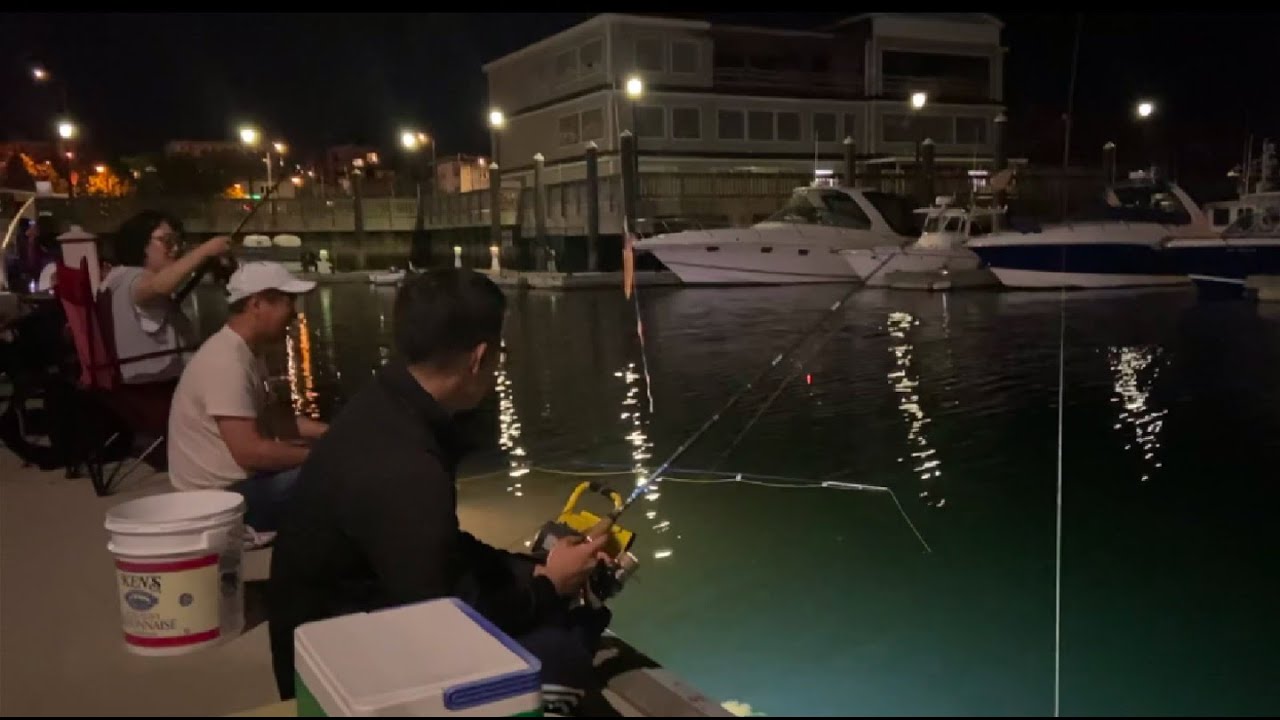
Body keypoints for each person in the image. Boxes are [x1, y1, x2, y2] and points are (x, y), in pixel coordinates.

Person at [268, 268, 616, 716]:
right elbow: (443, 617)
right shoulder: (406, 466)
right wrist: (550, 587)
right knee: (560, 658)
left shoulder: (384, 406)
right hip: (338, 674)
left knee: (546, 614)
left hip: (342, 624)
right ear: (478, 358)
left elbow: (437, 552)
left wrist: (531, 568)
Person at [166, 261, 326, 541]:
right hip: (222, 502)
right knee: (339, 473)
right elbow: (250, 451)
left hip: (237, 488)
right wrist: (327, 456)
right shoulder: (226, 362)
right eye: (288, 301)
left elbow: (278, 423)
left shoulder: (247, 352)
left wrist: (335, 434)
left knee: (341, 462)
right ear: (257, 304)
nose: (294, 313)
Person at [103, 210, 232, 384]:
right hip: (153, 384)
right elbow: (159, 286)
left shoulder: (117, 276)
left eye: (178, 241)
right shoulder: (130, 278)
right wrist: (206, 250)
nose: (176, 248)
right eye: (167, 241)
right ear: (139, 242)